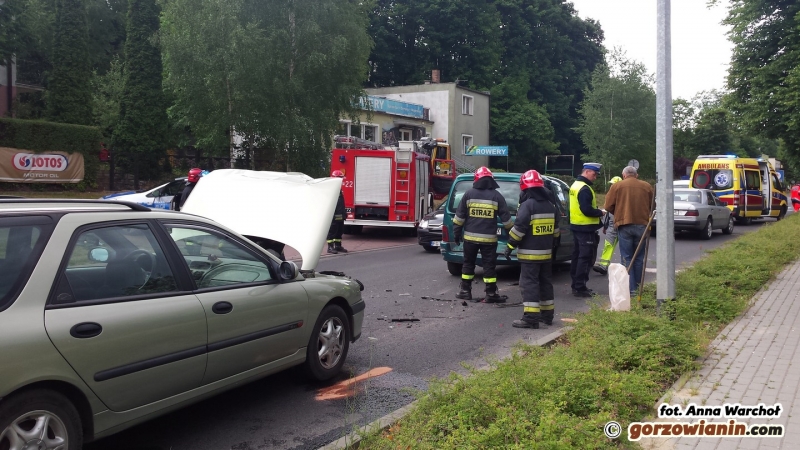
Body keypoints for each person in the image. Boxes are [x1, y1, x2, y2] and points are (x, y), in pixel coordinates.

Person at [505, 170, 560, 329]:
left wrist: (509, 247)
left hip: (530, 256)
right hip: (546, 254)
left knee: (529, 284)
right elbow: (555, 233)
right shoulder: (551, 206)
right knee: (545, 284)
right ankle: (547, 316)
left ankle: (530, 318)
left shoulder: (527, 206)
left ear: (525, 188)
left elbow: (519, 230)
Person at [453, 166, 514, 302]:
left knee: (468, 263)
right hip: (489, 241)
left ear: (476, 179)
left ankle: (465, 291)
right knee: (489, 266)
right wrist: (513, 238)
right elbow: (507, 221)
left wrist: (456, 235)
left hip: (469, 239)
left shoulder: (468, 194)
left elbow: (459, 218)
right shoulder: (497, 196)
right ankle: (491, 293)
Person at [603, 165, 655, 294]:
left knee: (626, 258)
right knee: (638, 258)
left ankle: (630, 290)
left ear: (624, 175)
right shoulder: (647, 186)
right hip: (643, 225)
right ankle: (637, 289)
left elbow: (608, 206)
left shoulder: (617, 186)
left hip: (624, 224)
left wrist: (619, 212)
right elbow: (653, 205)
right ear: (636, 175)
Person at [569, 162, 606, 297]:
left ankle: (575, 284)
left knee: (577, 257)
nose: (595, 177)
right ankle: (580, 287)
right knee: (585, 258)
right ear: (587, 172)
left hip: (576, 226)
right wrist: (600, 213)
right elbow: (586, 210)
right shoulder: (584, 188)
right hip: (585, 227)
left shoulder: (575, 185)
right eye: (594, 174)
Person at [593, 176, 623, 275]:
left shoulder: (623, 196)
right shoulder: (610, 195)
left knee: (625, 247)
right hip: (611, 225)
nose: (611, 186)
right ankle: (603, 266)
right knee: (608, 245)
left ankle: (625, 267)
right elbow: (607, 212)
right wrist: (605, 226)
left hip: (622, 224)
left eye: (613, 184)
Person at [327, 170, 348, 254]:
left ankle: (338, 246)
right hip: (333, 215)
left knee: (339, 231)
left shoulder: (338, 189)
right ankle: (330, 247)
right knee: (332, 231)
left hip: (340, 215)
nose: (342, 180)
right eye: (340, 178)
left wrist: (343, 213)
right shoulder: (331, 189)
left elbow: (340, 203)